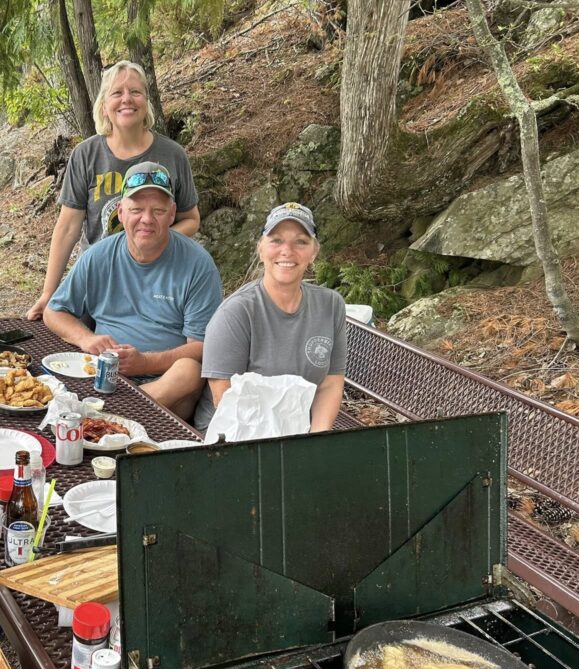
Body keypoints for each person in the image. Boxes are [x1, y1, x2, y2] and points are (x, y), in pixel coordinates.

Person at [43, 162, 222, 419]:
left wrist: (145, 363)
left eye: (158, 210)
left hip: (165, 384)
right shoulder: (99, 256)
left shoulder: (198, 264)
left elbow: (203, 346)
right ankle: (107, 415)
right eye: (137, 209)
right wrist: (87, 339)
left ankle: (113, 416)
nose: (146, 220)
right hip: (102, 375)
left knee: (188, 371)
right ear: (121, 212)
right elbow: (54, 312)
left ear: (172, 214)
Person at [25, 60, 200, 321]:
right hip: (99, 280)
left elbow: (191, 219)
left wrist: (148, 243)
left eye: (135, 92)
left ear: (146, 102)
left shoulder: (172, 154)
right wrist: (48, 292)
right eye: (117, 93)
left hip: (157, 280)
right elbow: (67, 228)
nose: (126, 99)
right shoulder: (86, 154)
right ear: (104, 105)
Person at [194, 203, 347, 432]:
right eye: (276, 240)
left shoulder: (331, 305)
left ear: (314, 252)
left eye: (301, 241)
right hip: (235, 433)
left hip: (298, 428)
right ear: (261, 249)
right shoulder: (236, 312)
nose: (287, 250)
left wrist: (317, 439)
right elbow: (223, 398)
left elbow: (330, 384)